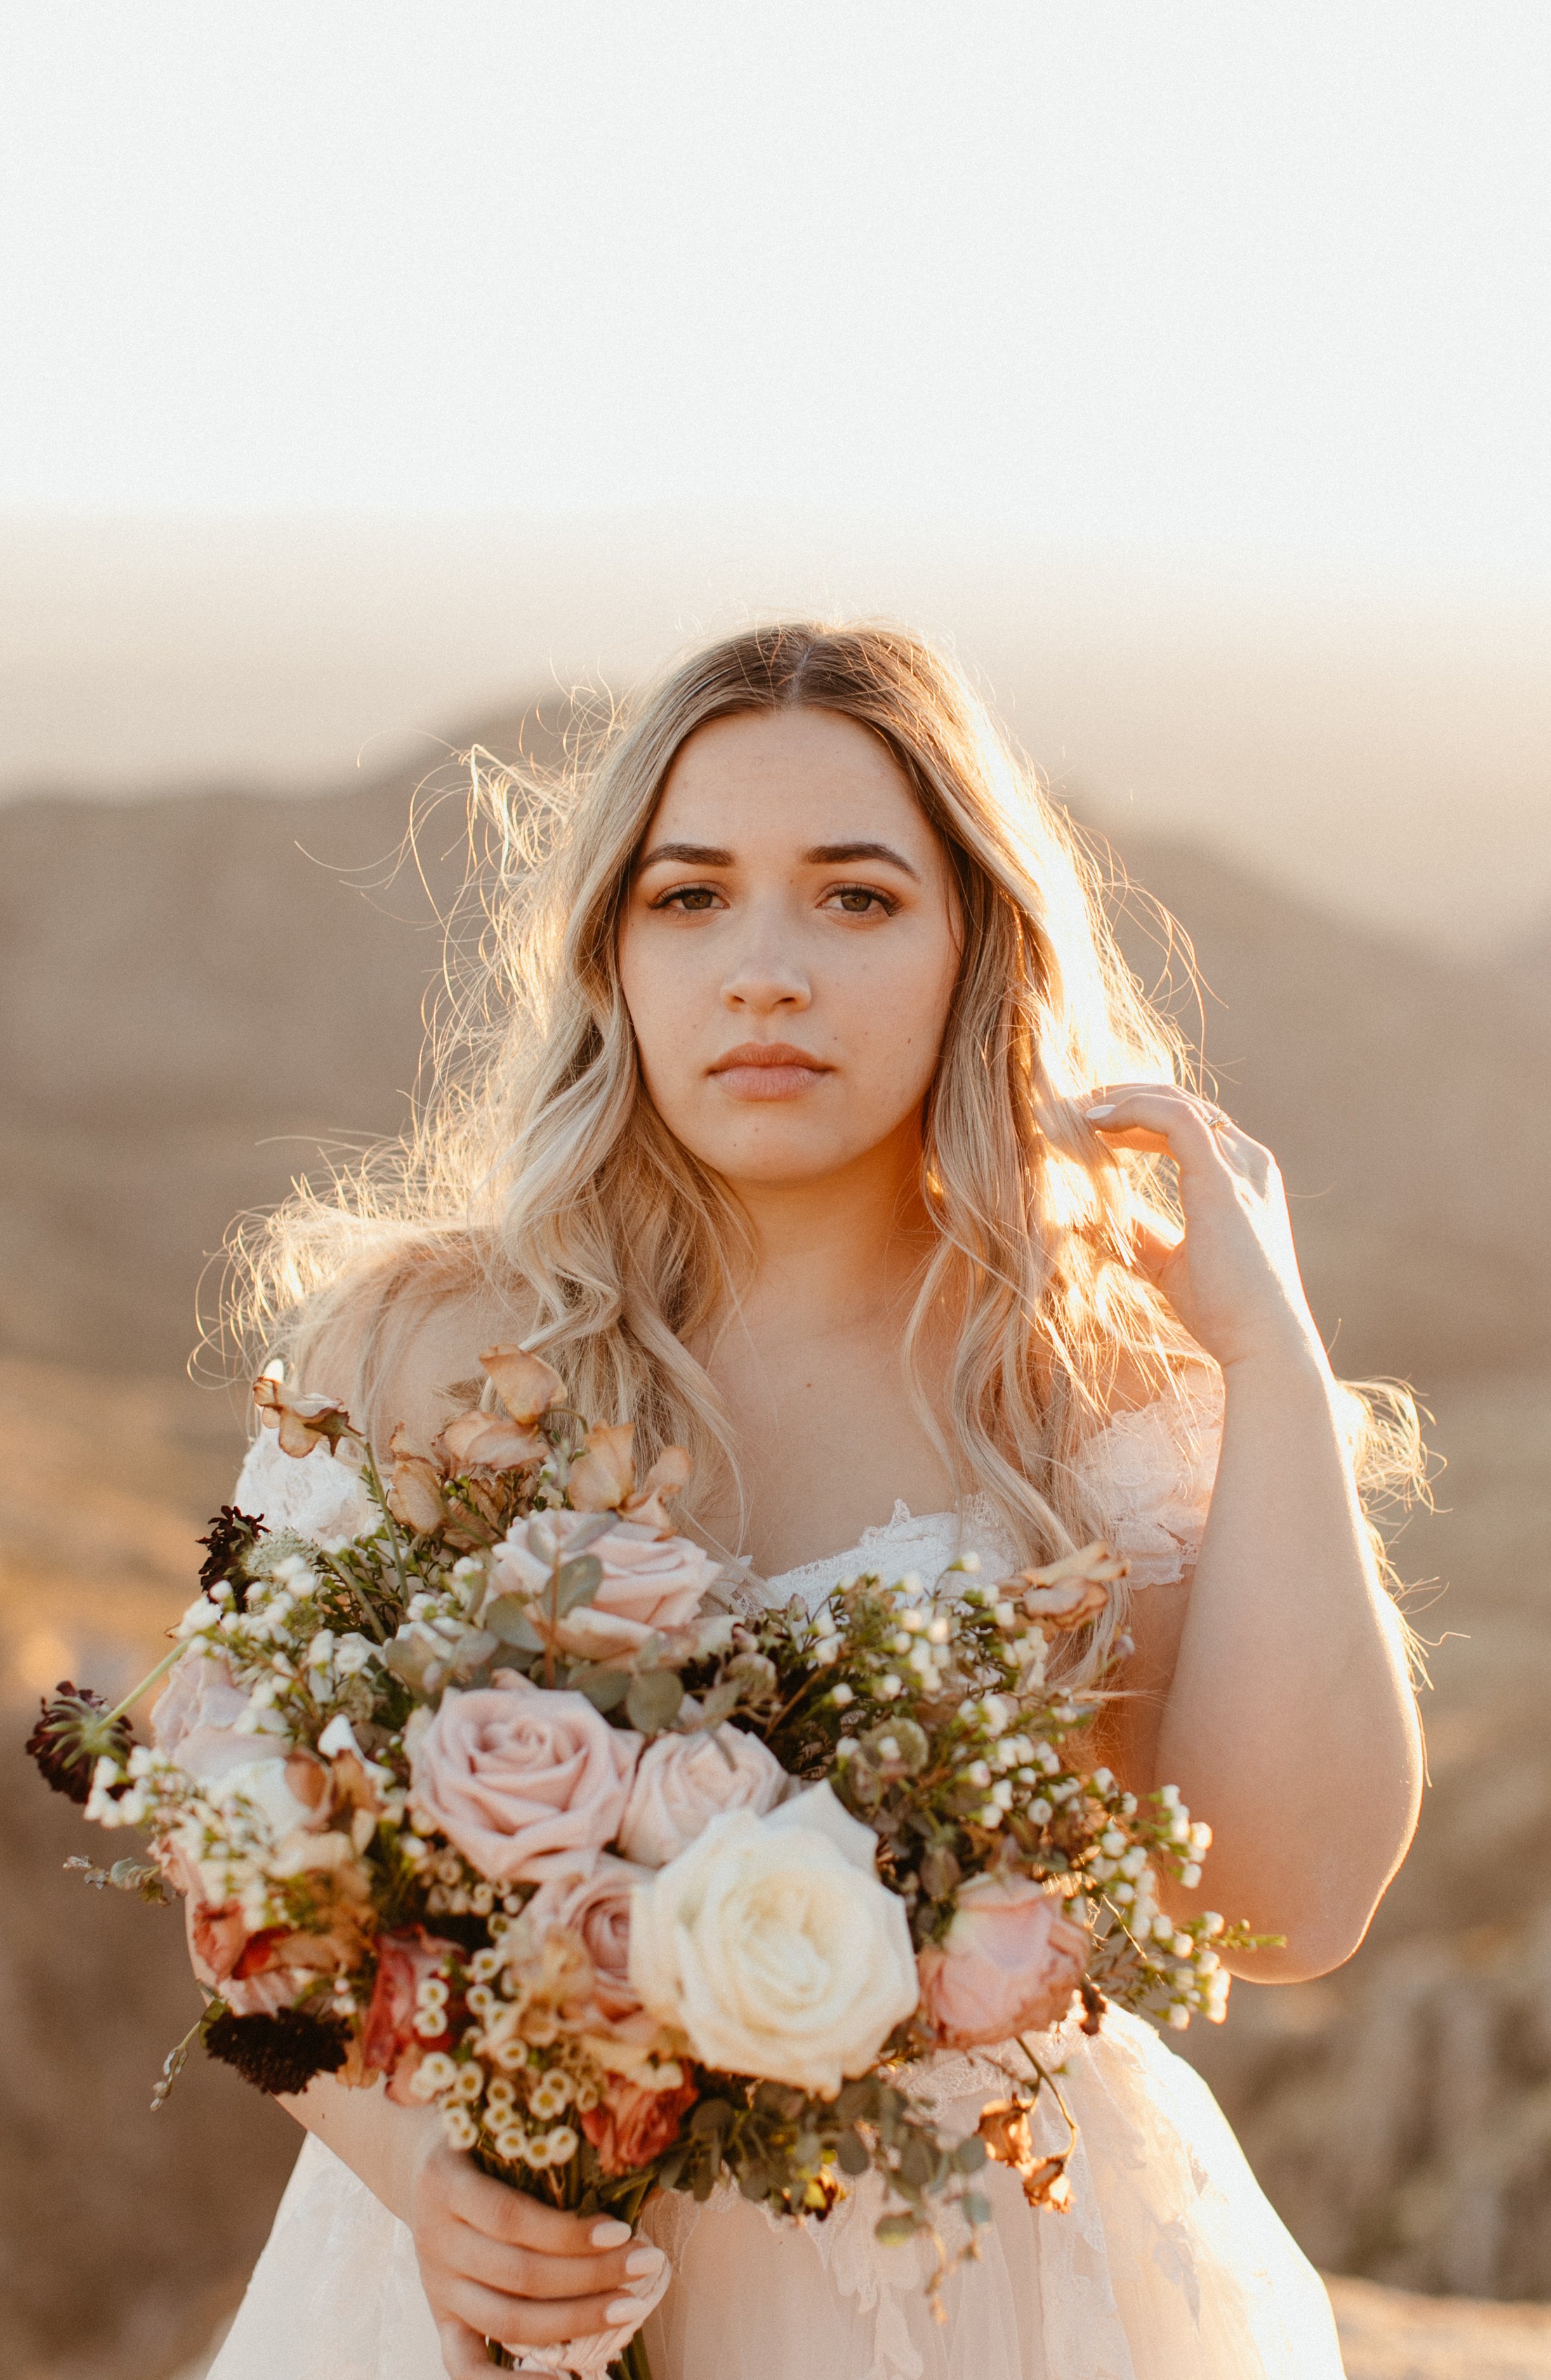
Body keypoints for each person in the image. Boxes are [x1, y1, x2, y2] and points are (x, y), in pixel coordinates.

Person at [208, 624, 1422, 2380]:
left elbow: (1288, 1909)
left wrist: (1270, 1360)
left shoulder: (1083, 1388)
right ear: (609, 952)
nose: (761, 970)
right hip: (493, 2281)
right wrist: (415, 2168)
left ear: (971, 950)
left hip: (983, 2287)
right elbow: (228, 1822)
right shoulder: (421, 1348)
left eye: (854, 900)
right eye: (688, 898)